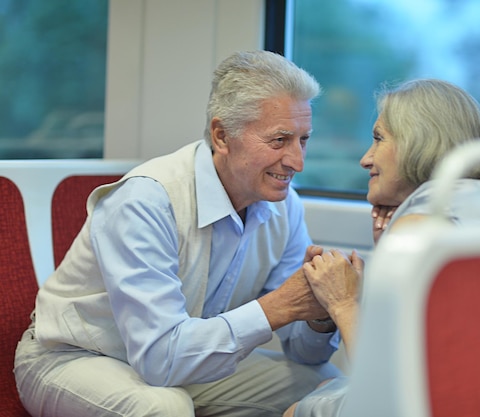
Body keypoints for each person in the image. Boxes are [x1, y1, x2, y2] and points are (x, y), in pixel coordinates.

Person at [14, 50, 342, 417]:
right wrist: (280, 306)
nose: (297, 161)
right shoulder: (146, 200)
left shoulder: (285, 205)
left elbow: (304, 352)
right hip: (73, 358)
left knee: (326, 387)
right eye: (279, 140)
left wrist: (320, 314)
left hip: (182, 359)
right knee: (166, 408)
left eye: (304, 139)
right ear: (222, 136)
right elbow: (159, 359)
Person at [284, 78, 480, 417]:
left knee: (303, 407)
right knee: (327, 388)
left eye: (378, 139)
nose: (365, 159)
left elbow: (387, 394)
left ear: (418, 142)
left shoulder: (418, 229)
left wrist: (342, 302)